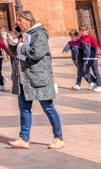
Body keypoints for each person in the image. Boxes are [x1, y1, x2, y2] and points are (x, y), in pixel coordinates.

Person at [8, 10, 64, 150]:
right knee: (24, 109)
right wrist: (14, 41)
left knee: (48, 108)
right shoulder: (24, 35)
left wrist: (21, 46)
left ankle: (59, 138)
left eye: (20, 21)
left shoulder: (39, 34)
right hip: (24, 78)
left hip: (38, 78)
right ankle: (24, 138)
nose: (18, 24)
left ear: (29, 20)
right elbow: (16, 54)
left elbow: (36, 52)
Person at [79, 27, 101, 92]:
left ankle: (99, 86)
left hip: (93, 57)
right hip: (86, 58)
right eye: (81, 31)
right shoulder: (81, 39)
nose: (82, 33)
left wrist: (98, 54)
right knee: (85, 71)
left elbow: (96, 46)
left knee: (95, 72)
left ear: (87, 31)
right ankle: (94, 82)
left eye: (83, 31)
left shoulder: (91, 38)